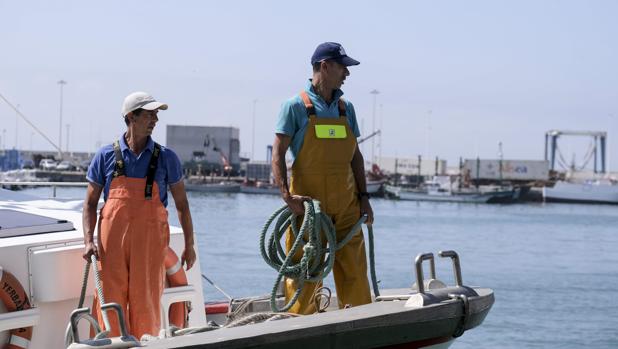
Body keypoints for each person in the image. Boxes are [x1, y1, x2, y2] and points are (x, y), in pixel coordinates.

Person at [82, 91, 196, 339]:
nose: (155, 119)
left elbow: (182, 205)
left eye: (156, 114)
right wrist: (88, 241)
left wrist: (190, 244)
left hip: (149, 243)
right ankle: (111, 344)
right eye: (149, 114)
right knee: (110, 298)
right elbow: (90, 204)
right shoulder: (105, 156)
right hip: (111, 244)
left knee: (146, 300)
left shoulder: (167, 157)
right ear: (131, 117)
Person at [272, 42, 374, 314]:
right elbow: (278, 154)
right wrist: (286, 196)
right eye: (343, 67)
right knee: (306, 270)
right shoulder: (294, 106)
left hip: (347, 207)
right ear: (324, 66)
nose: (347, 74)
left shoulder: (346, 108)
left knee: (354, 269)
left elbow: (356, 157)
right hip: (308, 209)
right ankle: (301, 327)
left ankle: (361, 323)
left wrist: (364, 199)